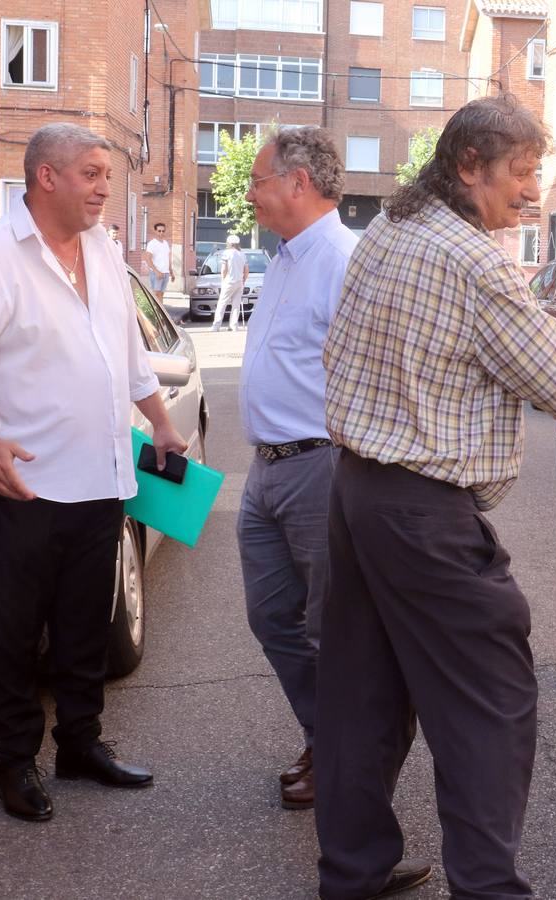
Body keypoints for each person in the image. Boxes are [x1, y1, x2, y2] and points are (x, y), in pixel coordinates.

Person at [313, 94, 556, 900]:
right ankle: (487, 887)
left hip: (358, 493)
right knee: (491, 698)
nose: (530, 191)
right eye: (522, 173)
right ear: (469, 166)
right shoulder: (472, 258)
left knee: (362, 693)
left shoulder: (393, 227)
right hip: (421, 512)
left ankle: (353, 871)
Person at [0, 123, 188, 822]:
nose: (103, 187)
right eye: (91, 173)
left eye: (105, 174)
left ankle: (80, 746)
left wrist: (165, 421)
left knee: (87, 626)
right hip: (21, 488)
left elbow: (128, 355)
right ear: (46, 177)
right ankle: (14, 764)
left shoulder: (102, 248)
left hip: (102, 478)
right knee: (15, 635)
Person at [237, 126, 357, 812]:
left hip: (322, 466)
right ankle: (325, 736)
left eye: (257, 181)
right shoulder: (283, 258)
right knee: (272, 617)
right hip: (268, 470)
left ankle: (343, 759)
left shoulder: (345, 258)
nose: (249, 194)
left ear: (298, 184)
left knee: (332, 629)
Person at [212, 233, 249, 332]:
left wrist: (223, 280)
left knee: (222, 304)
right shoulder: (242, 254)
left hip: (229, 281)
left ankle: (216, 326)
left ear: (229, 243)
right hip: (239, 282)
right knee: (236, 305)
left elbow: (224, 269)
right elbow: (246, 270)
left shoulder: (226, 253)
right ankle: (234, 325)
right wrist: (243, 280)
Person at [143, 222, 172, 301]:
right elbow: (148, 259)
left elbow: (168, 258)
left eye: (163, 231)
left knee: (161, 294)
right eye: (159, 231)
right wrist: (156, 271)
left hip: (165, 273)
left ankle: (160, 313)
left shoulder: (165, 243)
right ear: (155, 231)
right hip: (156, 273)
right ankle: (155, 312)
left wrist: (171, 272)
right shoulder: (152, 244)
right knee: (156, 294)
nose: (161, 233)